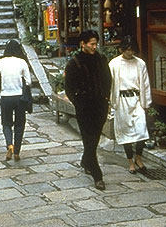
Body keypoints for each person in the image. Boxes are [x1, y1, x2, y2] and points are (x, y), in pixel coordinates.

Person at [64, 29, 112, 190]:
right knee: (88, 137)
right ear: (82, 44)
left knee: (95, 137)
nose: (94, 46)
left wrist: (106, 97)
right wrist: (78, 102)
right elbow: (68, 87)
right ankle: (97, 175)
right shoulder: (74, 63)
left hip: (100, 105)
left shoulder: (101, 59)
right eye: (92, 44)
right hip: (84, 107)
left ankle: (86, 160)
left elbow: (108, 80)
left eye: (96, 43)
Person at [109, 36, 152, 174]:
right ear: (122, 49)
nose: (130, 52)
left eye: (132, 49)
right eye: (127, 49)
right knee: (125, 132)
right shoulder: (114, 64)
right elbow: (110, 85)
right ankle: (130, 162)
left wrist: (146, 103)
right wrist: (112, 103)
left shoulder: (140, 64)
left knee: (141, 131)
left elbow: (145, 84)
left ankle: (139, 158)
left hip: (136, 99)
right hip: (122, 100)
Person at [0, 39, 31, 161]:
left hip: (6, 96)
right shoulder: (22, 62)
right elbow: (28, 81)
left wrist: (0, 89)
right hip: (20, 97)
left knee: (6, 123)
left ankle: (10, 144)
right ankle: (17, 152)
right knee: (20, 124)